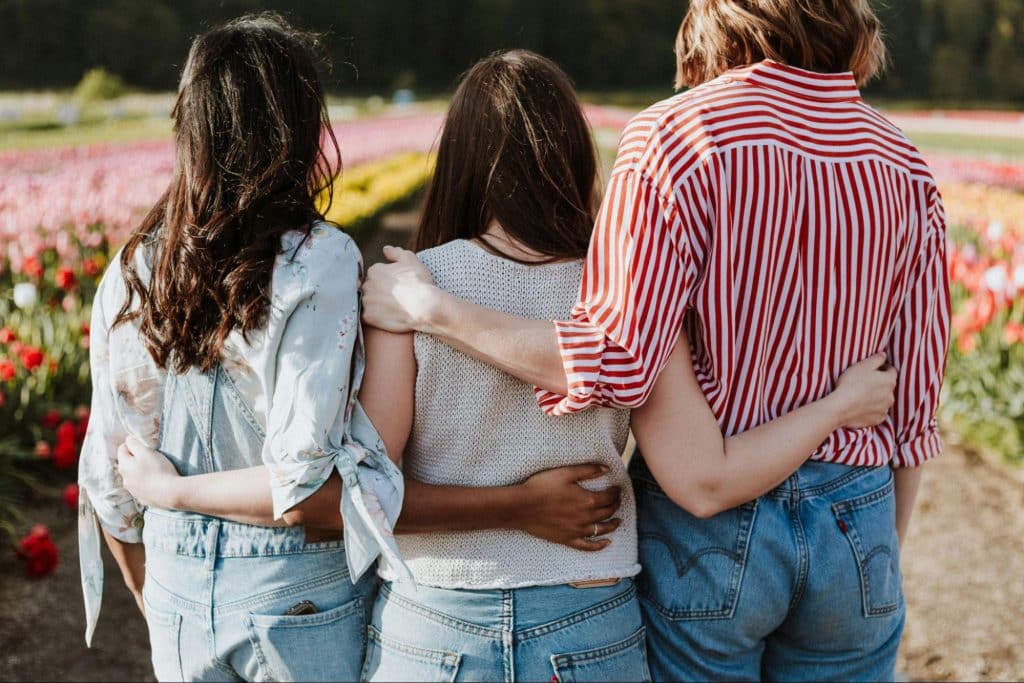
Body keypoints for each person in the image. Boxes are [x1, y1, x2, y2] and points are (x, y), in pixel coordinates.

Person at [122, 48, 896, 682]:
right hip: (590, 609)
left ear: (459, 159)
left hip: (435, 615)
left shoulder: (410, 282)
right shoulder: (625, 289)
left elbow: (373, 477)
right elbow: (686, 462)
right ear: (572, 155)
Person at [359, 1, 952, 680]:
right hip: (860, 515)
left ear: (716, 25)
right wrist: (879, 555)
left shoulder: (677, 137)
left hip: (719, 528)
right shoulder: (903, 161)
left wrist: (432, 308)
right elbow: (916, 398)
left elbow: (616, 357)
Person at [78, 14, 403, 682]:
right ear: (297, 127)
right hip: (294, 595)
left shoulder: (132, 269)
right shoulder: (318, 259)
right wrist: (181, 496)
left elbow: (111, 482)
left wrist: (158, 594)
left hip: (175, 591)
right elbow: (299, 480)